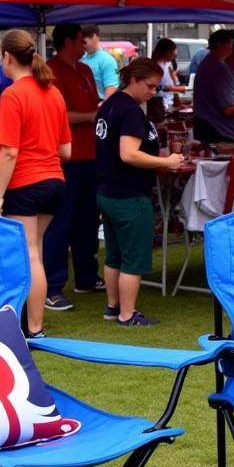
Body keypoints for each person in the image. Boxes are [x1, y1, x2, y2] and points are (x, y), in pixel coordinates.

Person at [0, 29, 72, 340]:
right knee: (31, 252)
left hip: (26, 184)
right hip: (54, 182)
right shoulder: (53, 92)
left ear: (8, 57)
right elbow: (66, 150)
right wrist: (1, 121)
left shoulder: (13, 94)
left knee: (30, 253)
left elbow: (10, 152)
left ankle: (33, 328)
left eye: (0, 58)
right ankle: (28, 323)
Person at [95, 58, 183, 327]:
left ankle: (113, 307)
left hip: (108, 191)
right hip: (128, 194)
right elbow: (129, 154)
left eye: (157, 87)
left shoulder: (109, 104)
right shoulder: (131, 111)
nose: (153, 92)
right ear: (133, 80)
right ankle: (127, 314)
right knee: (133, 258)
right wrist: (165, 162)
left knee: (114, 254)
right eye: (150, 86)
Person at [41, 23, 103, 313]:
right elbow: (60, 113)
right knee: (60, 222)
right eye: (81, 40)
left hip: (90, 154)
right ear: (68, 42)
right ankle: (52, 287)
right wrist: (93, 114)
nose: (86, 44)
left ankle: (86, 276)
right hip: (66, 157)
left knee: (88, 220)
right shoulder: (51, 71)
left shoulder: (86, 70)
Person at [192, 29, 234, 144]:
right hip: (217, 134)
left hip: (227, 133)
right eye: (231, 44)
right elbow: (229, 108)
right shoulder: (218, 68)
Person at [81, 24, 119, 100]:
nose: (82, 45)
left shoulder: (107, 60)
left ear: (94, 37)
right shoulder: (82, 59)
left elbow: (111, 88)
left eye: (84, 42)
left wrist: (103, 108)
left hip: (98, 104)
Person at [152, 37, 187, 113]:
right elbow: (159, 88)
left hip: (170, 104)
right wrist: (175, 89)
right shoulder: (156, 66)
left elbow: (172, 84)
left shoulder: (168, 65)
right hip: (162, 105)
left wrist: (178, 103)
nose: (173, 56)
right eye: (172, 53)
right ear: (166, 52)